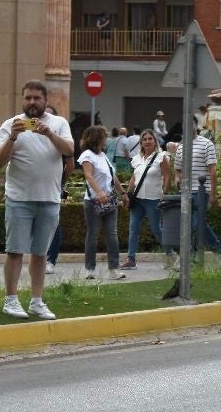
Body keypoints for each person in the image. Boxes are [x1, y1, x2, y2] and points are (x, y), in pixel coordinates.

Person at [0, 81, 74, 320]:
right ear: (22, 99)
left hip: (49, 199)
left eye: (36, 98)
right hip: (19, 198)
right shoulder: (10, 125)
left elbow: (69, 149)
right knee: (15, 251)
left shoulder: (59, 124)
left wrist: (48, 133)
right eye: (28, 98)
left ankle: (37, 301)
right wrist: (13, 138)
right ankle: (11, 300)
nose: (32, 102)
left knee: (40, 253)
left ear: (45, 100)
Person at [77, 125, 129, 281]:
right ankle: (89, 269)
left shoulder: (103, 155)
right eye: (104, 136)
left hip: (110, 201)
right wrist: (99, 193)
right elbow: (88, 176)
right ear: (97, 138)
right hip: (94, 201)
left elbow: (113, 177)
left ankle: (114, 269)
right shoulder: (87, 155)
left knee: (112, 235)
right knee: (93, 235)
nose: (106, 139)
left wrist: (123, 193)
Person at [174, 130, 221, 255]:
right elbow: (177, 170)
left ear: (195, 126)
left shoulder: (207, 144)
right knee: (188, 225)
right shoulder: (181, 147)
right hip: (185, 192)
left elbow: (213, 170)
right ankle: (191, 257)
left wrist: (213, 194)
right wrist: (177, 179)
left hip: (202, 191)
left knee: (197, 224)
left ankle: (219, 250)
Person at [122, 128, 170, 269]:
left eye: (150, 139)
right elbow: (134, 178)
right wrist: (127, 195)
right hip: (137, 200)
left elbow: (167, 175)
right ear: (141, 143)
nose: (147, 141)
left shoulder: (161, 157)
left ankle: (171, 255)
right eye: (145, 139)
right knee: (133, 229)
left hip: (153, 199)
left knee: (156, 229)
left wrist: (164, 193)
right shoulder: (136, 159)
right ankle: (131, 259)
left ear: (155, 141)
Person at [43, 104, 74, 276]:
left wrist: (61, 183)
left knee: (53, 223)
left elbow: (70, 164)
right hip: (35, 187)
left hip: (53, 186)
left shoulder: (60, 137)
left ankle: (50, 260)